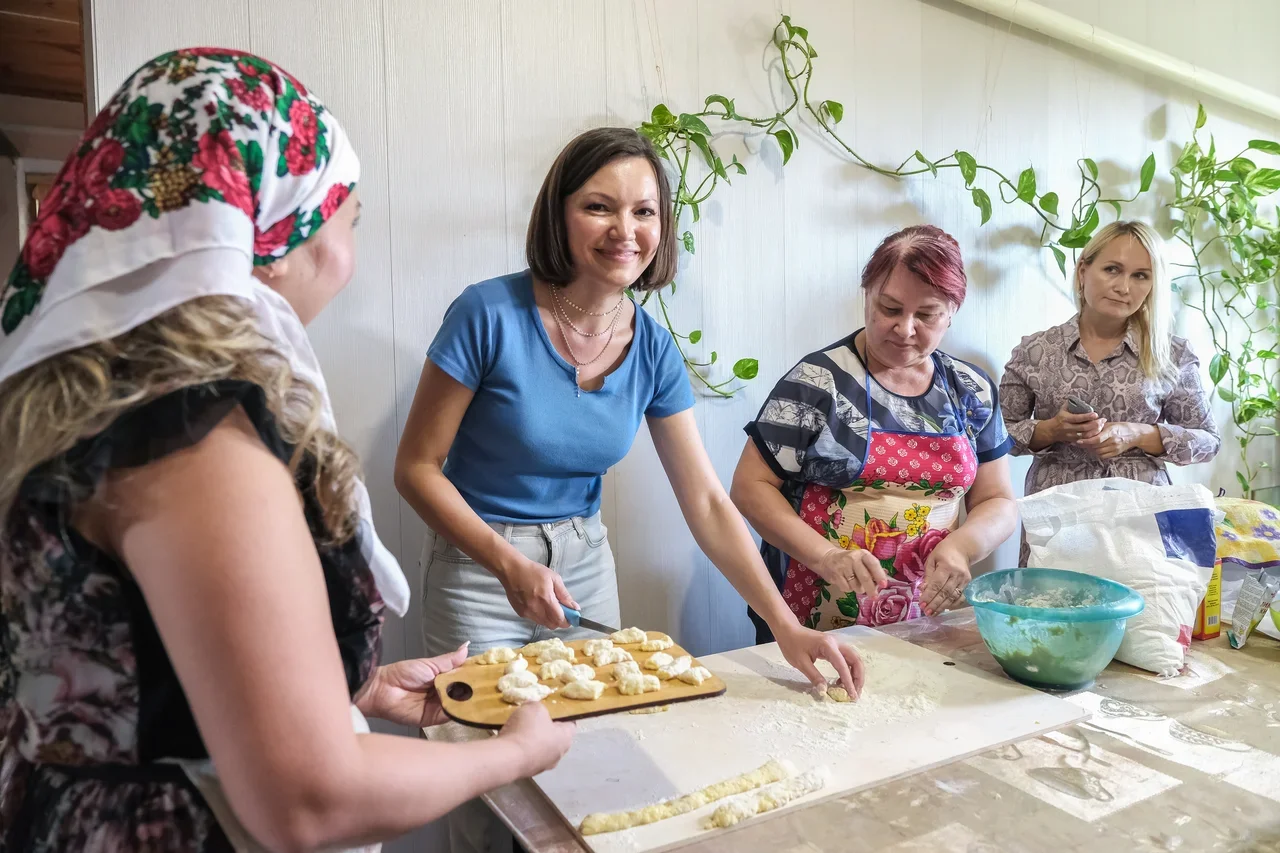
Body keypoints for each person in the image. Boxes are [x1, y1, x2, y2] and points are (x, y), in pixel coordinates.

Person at [0, 49, 572, 852]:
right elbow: (311, 798)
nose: (349, 253)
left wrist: (357, 690)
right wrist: (515, 753)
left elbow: (140, 661)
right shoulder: (194, 444)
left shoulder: (98, 402)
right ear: (276, 232)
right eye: (352, 218)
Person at [394, 127, 864, 851]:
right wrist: (506, 561)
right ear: (559, 215)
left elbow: (707, 501)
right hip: (480, 566)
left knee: (592, 768)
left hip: (583, 564)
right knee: (487, 793)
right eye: (600, 207)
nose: (626, 230)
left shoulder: (652, 347)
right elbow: (417, 467)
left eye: (644, 212)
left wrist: (785, 624)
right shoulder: (486, 313)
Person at [731, 225, 1019, 636]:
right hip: (812, 619)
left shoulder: (971, 390)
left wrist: (964, 546)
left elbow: (997, 500)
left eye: (926, 314)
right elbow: (750, 487)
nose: (905, 329)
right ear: (866, 295)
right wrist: (827, 556)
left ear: (952, 312)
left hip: (927, 617)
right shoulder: (817, 382)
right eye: (890, 308)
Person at [1000, 220, 1220, 564]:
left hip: (1140, 520)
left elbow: (1208, 441)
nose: (1123, 287)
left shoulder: (1171, 354)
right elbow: (995, 437)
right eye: (1112, 269)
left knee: (1141, 616)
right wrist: (1051, 430)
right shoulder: (1035, 351)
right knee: (1051, 609)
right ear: (1083, 271)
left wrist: (1138, 434)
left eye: (1140, 276)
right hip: (1057, 520)